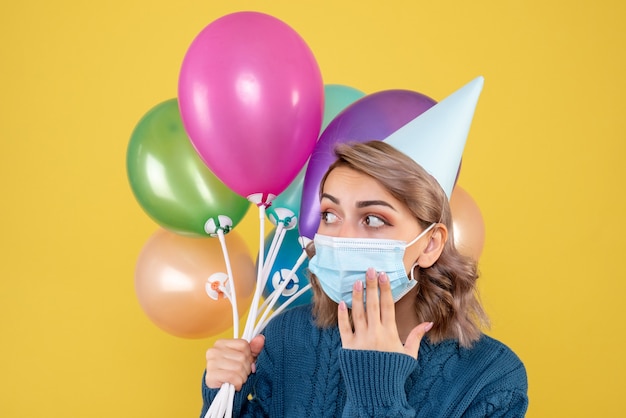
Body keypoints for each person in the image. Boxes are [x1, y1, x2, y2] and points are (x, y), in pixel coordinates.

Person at [201, 140, 528, 417]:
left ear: (429, 245)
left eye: (372, 219)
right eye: (330, 215)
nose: (341, 237)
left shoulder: (491, 380)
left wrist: (376, 387)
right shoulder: (286, 337)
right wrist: (222, 395)